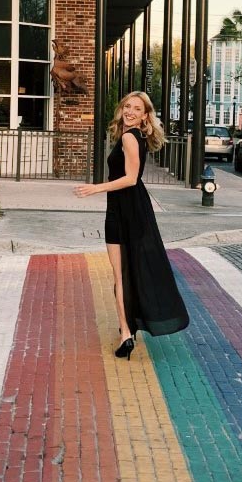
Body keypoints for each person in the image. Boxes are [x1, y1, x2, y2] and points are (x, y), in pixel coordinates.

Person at [74, 91, 189, 358]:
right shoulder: (135, 137)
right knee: (133, 270)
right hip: (132, 208)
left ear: (145, 115)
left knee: (120, 275)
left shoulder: (129, 137)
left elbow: (131, 178)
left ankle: (126, 332)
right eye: (127, 106)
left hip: (125, 209)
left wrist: (95, 188)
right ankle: (130, 327)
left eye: (137, 108)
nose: (130, 111)